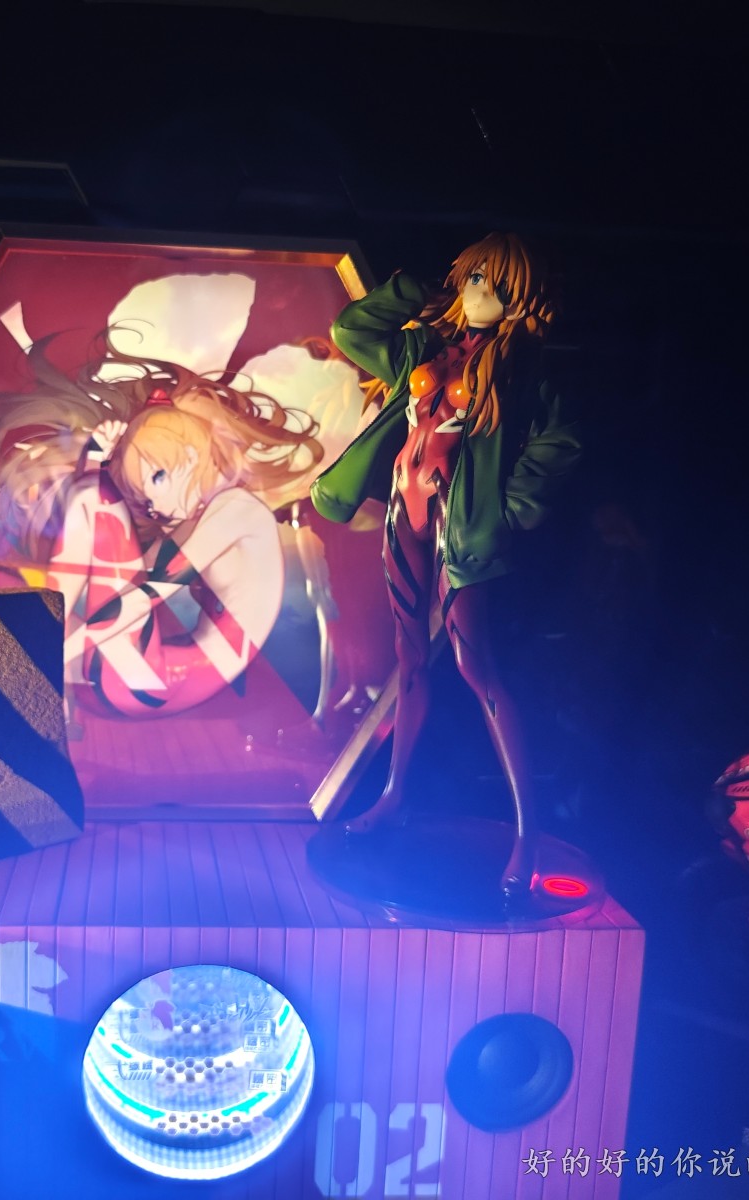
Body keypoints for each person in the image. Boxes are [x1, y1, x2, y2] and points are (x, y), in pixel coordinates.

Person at [309, 233, 582, 899]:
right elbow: (351, 330)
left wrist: (511, 509)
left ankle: (528, 836)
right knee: (409, 660)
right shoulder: (424, 350)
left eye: (496, 285)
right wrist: (412, 291)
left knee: (477, 670)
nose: (479, 292)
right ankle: (393, 797)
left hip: (462, 527)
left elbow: (561, 439)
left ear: (520, 300)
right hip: (406, 513)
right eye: (474, 277)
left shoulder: (521, 372)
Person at [0, 336, 323, 717]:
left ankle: (49, 642)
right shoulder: (206, 518)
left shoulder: (236, 511)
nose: (159, 509)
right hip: (131, 677)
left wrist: (61, 654)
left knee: (93, 498)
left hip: (151, 682)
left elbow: (141, 596)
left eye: (157, 479)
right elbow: (107, 558)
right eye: (149, 504)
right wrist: (94, 463)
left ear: (189, 455)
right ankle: (48, 637)